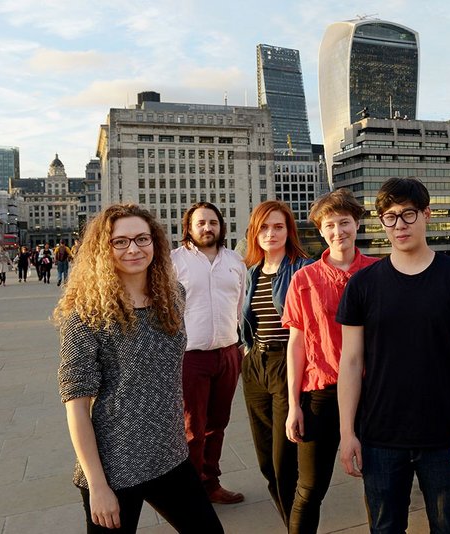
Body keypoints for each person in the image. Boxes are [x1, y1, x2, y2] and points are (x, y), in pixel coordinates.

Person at [54, 204, 223, 533]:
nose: (133, 248)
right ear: (104, 248)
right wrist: (98, 487)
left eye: (142, 239)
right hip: (114, 466)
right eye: (120, 241)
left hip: (170, 455)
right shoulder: (86, 314)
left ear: (155, 243)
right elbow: (76, 406)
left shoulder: (173, 296)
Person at [337, 177, 450, 533]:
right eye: (389, 217)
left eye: (408, 214)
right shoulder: (362, 285)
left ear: (427, 215)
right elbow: (351, 362)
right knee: (385, 528)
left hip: (446, 436)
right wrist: (346, 432)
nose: (399, 225)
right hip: (380, 436)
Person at [282, 189, 379, 532]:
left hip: (372, 392)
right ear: (320, 231)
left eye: (345, 223)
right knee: (309, 489)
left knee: (378, 485)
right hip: (321, 392)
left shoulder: (378, 273)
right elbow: (296, 346)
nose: (339, 231)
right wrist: (294, 405)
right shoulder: (304, 279)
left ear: (357, 224)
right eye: (330, 225)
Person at [241, 200, 313, 527]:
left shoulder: (302, 268)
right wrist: (247, 353)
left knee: (284, 462)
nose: (271, 233)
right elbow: (245, 320)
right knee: (265, 464)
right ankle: (290, 522)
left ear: (288, 231)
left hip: (288, 362)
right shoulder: (251, 272)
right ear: (254, 233)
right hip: (256, 364)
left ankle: (296, 526)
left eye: (278, 226)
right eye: (264, 227)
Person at [171, 202, 247, 504]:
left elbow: (240, 305)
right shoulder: (174, 261)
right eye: (200, 222)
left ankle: (211, 483)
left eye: (213, 222)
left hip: (228, 353)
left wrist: (240, 345)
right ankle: (190, 494)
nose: (207, 228)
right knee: (193, 427)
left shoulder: (235, 261)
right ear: (188, 227)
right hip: (190, 356)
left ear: (221, 226)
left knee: (219, 423)